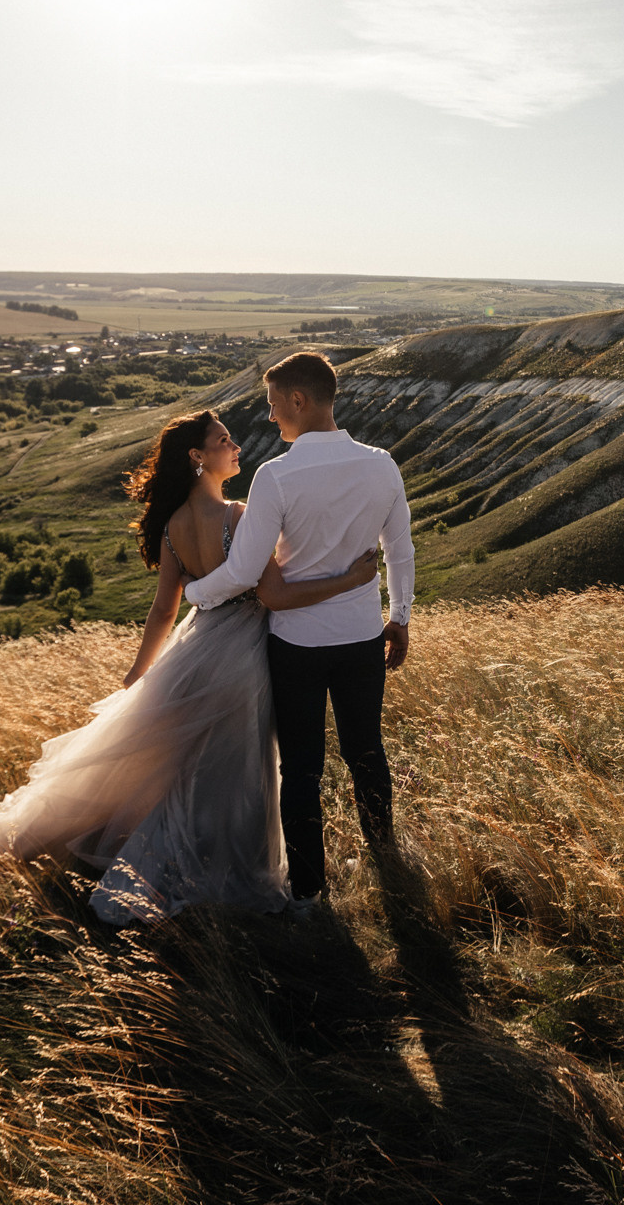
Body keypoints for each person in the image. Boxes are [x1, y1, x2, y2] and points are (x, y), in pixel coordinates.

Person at [0, 409, 380, 924]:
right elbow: (275, 593)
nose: (236, 446)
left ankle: (163, 865)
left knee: (189, 774)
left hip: (195, 651)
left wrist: (141, 672)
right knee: (241, 775)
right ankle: (233, 872)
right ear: (198, 457)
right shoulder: (239, 516)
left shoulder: (173, 526)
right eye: (224, 440)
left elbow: (164, 611)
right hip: (243, 656)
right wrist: (352, 580)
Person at [177, 351, 415, 913]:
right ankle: (387, 862)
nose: (269, 416)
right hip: (362, 637)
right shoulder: (381, 464)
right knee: (366, 751)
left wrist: (193, 593)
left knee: (301, 768)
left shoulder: (276, 476)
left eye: (273, 404)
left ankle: (308, 891)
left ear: (299, 400)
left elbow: (243, 572)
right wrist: (400, 617)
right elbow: (399, 549)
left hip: (296, 646)